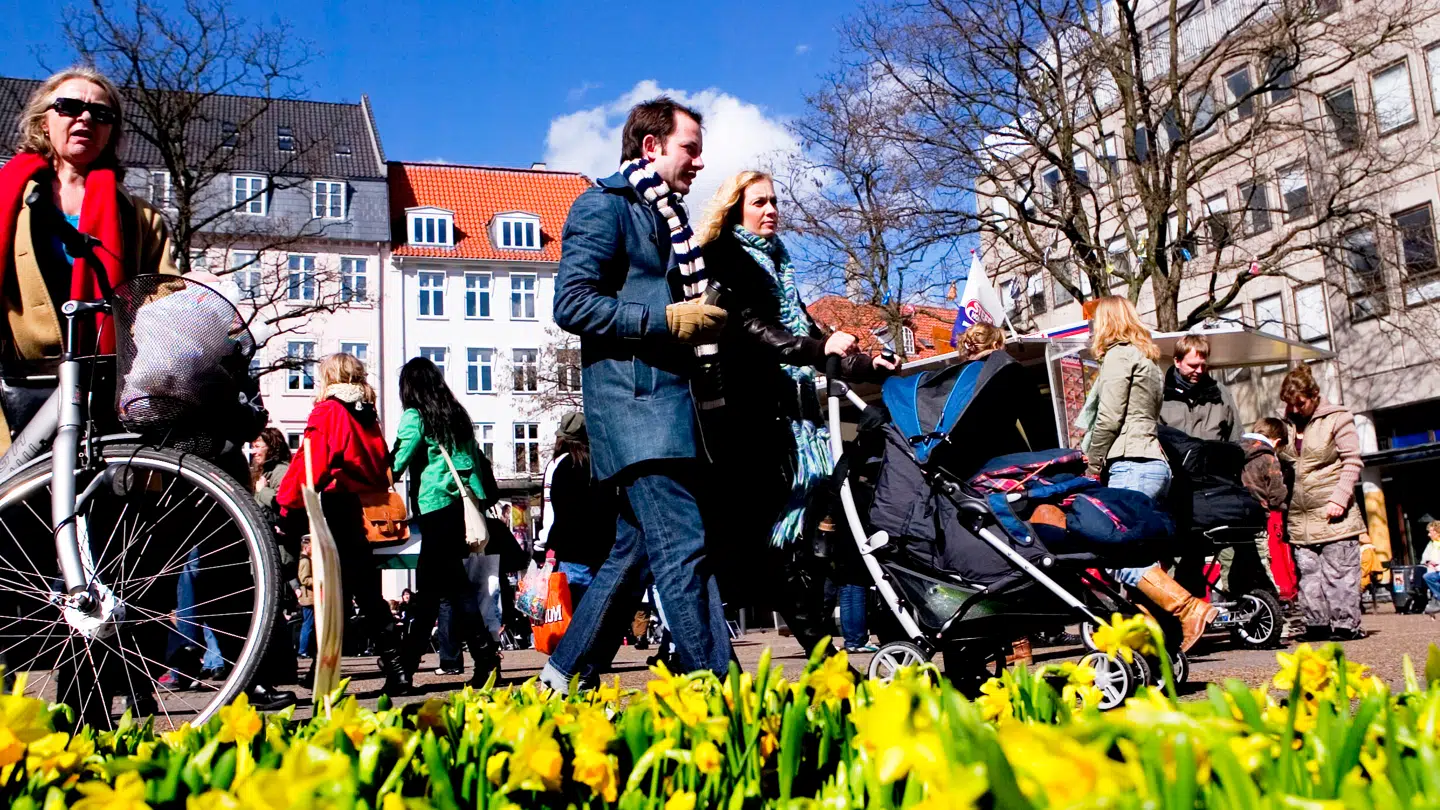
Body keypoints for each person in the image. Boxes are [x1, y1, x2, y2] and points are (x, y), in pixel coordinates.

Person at [543, 97, 731, 693]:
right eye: (690, 148)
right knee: (683, 543)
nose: (699, 162)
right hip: (637, 409)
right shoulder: (604, 207)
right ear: (651, 147)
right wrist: (667, 321)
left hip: (665, 409)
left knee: (635, 553)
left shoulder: (666, 220)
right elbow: (570, 304)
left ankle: (562, 674)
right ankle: (715, 690)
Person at [696, 170, 894, 658]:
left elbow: (806, 333)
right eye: (758, 202)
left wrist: (867, 362)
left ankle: (823, 651)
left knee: (792, 541)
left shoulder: (776, 265)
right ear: (734, 208)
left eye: (774, 202)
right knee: (777, 543)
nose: (770, 210)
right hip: (752, 421)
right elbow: (755, 330)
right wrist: (816, 346)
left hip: (790, 418)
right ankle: (820, 655)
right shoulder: (726, 261)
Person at [0, 67, 177, 448]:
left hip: (106, 387)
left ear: (111, 131)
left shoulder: (140, 217)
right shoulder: (6, 200)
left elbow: (162, 299)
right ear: (44, 121)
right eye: (69, 107)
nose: (85, 118)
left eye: (101, 113)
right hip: (13, 383)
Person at [1080, 296, 1216, 653]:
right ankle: (1156, 640)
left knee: (1117, 560)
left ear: (1106, 322)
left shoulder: (1118, 356)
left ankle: (1189, 609)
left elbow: (1109, 418)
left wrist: (1091, 464)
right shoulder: (1148, 359)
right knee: (1140, 559)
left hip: (1130, 463)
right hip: (1154, 464)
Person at [276, 353, 412, 695]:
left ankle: (331, 670)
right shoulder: (367, 414)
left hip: (339, 504)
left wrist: (287, 505)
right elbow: (380, 460)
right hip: (364, 506)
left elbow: (311, 460)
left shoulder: (329, 411)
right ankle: (394, 667)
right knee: (362, 590)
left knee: (338, 592)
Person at [391, 356, 502, 685]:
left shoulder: (416, 416)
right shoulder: (457, 415)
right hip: (461, 508)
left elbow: (398, 460)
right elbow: (477, 460)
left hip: (435, 508)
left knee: (444, 590)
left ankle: (480, 660)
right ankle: (410, 666)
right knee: (439, 588)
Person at [1279, 364, 1367, 641]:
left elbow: (1352, 461)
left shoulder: (1338, 418)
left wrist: (1339, 499)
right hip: (1300, 515)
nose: (1294, 409)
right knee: (1308, 575)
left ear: (1315, 395)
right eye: (1289, 404)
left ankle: (1345, 625)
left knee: (1339, 574)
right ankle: (1315, 624)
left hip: (1333, 513)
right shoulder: (1289, 426)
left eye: (1299, 403)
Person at [534, 413, 615, 608]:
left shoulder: (561, 466)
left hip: (571, 552)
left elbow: (555, 514)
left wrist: (542, 546)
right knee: (596, 616)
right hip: (603, 553)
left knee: (574, 618)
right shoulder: (602, 464)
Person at [1220, 417, 1294, 598]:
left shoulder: (1233, 450)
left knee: (1232, 561)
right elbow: (1277, 494)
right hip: (1255, 519)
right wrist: (1281, 503)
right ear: (1276, 441)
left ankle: (1234, 597)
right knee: (1260, 560)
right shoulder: (1268, 457)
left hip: (1228, 516)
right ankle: (1270, 601)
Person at [1159, 334, 1241, 442]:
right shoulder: (1160, 395)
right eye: (1193, 365)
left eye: (1203, 365)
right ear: (1177, 362)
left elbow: (1237, 438)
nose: (1199, 371)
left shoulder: (1220, 393)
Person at [251, 427, 293, 515]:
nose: (253, 452)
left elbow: (284, 505)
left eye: (257, 446)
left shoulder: (282, 471)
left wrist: (262, 490)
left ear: (271, 448)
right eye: (253, 447)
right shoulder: (264, 470)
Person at [296, 537, 315, 659]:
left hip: (308, 597)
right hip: (309, 597)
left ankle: (304, 649)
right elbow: (304, 579)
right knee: (308, 624)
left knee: (308, 624)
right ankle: (302, 650)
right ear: (306, 547)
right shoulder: (305, 561)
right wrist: (318, 580)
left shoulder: (305, 560)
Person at [1419, 520, 1440, 615]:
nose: (1428, 535)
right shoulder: (1432, 544)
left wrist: (1436, 563)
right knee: (1427, 576)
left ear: (1436, 532)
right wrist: (1429, 562)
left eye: (1430, 532)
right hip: (1437, 571)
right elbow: (1425, 558)